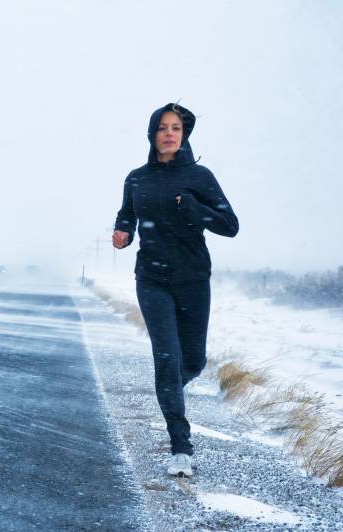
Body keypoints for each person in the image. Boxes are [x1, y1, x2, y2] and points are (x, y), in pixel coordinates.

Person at [112, 102, 239, 477]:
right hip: (151, 279)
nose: (169, 133)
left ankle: (169, 389)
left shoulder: (199, 176)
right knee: (167, 358)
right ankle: (180, 447)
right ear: (152, 134)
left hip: (193, 279)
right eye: (163, 127)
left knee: (193, 361)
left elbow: (230, 225)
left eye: (176, 128)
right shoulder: (137, 178)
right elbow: (126, 214)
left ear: (184, 136)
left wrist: (194, 210)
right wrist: (123, 232)